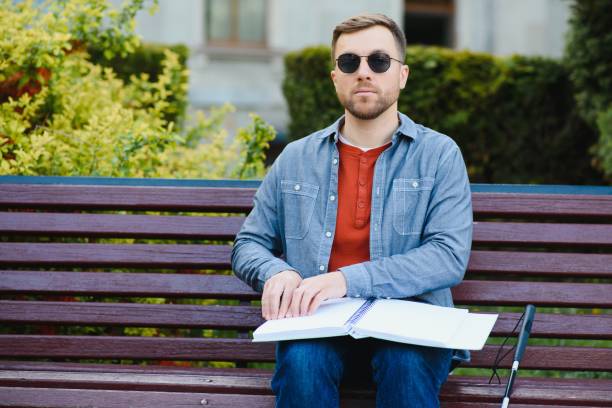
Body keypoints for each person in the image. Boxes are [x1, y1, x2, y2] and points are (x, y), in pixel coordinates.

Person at [231, 13, 472, 408]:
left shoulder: (439, 154)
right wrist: (277, 271)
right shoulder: (296, 157)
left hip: (409, 326)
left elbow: (447, 257)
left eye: (379, 61)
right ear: (335, 77)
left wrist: (344, 280)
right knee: (303, 363)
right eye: (349, 62)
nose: (364, 72)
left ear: (402, 75)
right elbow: (249, 243)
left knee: (405, 364)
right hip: (318, 324)